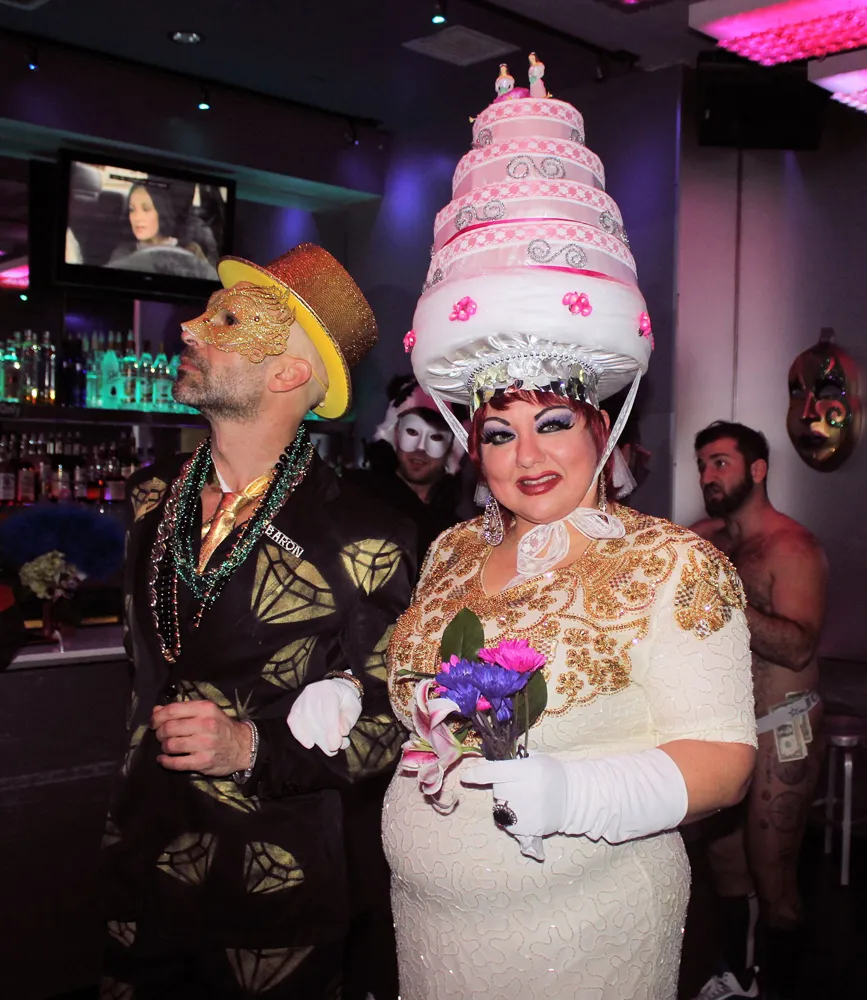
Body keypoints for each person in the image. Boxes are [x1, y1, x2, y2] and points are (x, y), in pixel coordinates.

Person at [376, 78, 757, 1000]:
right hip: (426, 931)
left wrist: (584, 796)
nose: (527, 456)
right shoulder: (452, 551)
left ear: (600, 428)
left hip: (585, 935)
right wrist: (353, 699)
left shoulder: (673, 563)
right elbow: (425, 701)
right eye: (498, 433)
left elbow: (724, 760)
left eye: (553, 424)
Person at [101, 243, 415, 1000]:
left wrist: (249, 746)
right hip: (139, 865)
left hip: (273, 887)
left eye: (229, 320)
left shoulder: (368, 530)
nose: (190, 328)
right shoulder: (150, 497)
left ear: (288, 373)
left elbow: (394, 716)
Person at [689, 421, 827, 1000]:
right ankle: (738, 979)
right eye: (702, 465)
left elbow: (797, 647)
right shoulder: (706, 540)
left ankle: (784, 986)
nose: (707, 475)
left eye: (720, 462)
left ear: (758, 469)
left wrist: (725, 598)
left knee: (775, 880)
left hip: (782, 726)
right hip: (727, 728)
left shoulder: (791, 547)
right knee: (726, 869)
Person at [346, 375, 463, 566]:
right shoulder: (358, 493)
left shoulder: (455, 530)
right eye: (412, 432)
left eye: (435, 437)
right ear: (395, 433)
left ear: (452, 447)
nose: (420, 448)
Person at [108, 181, 219, 279]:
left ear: (162, 211)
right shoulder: (123, 252)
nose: (137, 218)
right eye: (132, 210)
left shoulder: (192, 249)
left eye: (146, 209)